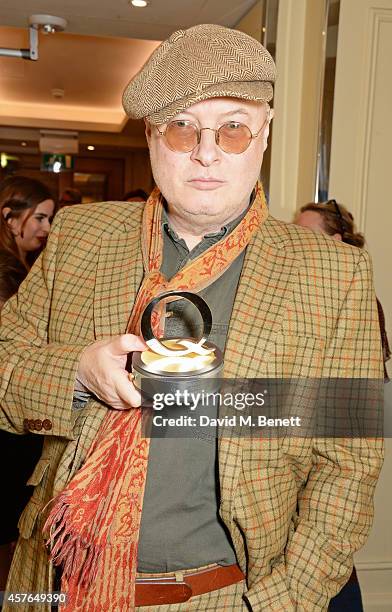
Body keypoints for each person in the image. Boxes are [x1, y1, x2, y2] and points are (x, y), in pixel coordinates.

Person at [0, 25, 384, 612]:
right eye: (182, 126)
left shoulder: (335, 274)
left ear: (263, 135)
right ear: (153, 136)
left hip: (228, 595)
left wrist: (283, 600)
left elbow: (349, 464)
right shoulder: (79, 237)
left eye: (232, 127)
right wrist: (77, 373)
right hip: (56, 583)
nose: (206, 151)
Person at [0, 175, 55, 592]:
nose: (46, 228)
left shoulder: (24, 268)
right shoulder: (5, 275)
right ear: (9, 216)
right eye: (39, 217)